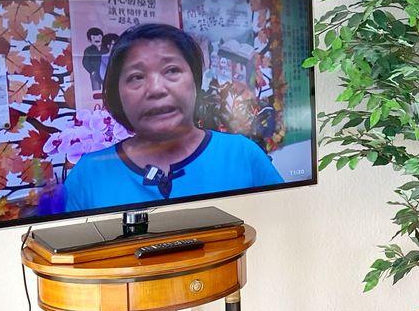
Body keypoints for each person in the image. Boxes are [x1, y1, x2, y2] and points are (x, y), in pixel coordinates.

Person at [61, 22, 282, 213]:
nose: (156, 89)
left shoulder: (243, 155)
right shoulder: (88, 174)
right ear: (117, 93)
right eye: (136, 77)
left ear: (195, 81)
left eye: (172, 70)